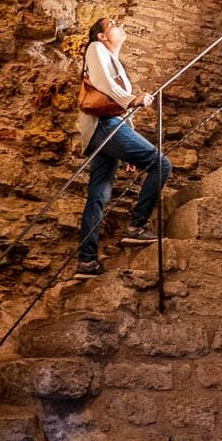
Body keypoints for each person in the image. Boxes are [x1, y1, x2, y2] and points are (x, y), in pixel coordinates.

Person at [75, 16, 172, 278]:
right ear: (101, 36)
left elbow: (118, 103)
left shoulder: (115, 61)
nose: (120, 25)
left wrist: (128, 136)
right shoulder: (96, 49)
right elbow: (104, 84)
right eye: (112, 23)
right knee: (160, 163)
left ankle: (87, 262)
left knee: (98, 196)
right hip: (105, 126)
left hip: (108, 130)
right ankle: (137, 226)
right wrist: (132, 99)